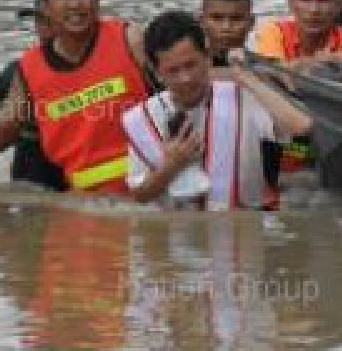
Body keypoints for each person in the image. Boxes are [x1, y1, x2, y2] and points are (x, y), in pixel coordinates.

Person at [0, 0, 151, 195]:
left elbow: (188, 84)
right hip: (82, 205)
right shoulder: (28, 69)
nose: (75, 4)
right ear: (45, 4)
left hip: (150, 193)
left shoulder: (131, 40)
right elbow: (2, 132)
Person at [125, 11, 313, 211]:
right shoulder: (140, 119)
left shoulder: (244, 97)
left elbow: (301, 127)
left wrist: (247, 79)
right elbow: (140, 195)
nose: (186, 78)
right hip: (181, 236)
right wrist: (171, 166)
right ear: (156, 73)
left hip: (242, 229)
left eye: (191, 65)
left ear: (207, 58)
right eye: (173, 70)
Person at [253, 0, 342, 173]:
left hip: (331, 143)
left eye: (323, 0)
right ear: (291, 3)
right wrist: (318, 63)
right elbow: (273, 72)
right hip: (284, 139)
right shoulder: (274, 31)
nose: (313, 10)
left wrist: (295, 69)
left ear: (339, 4)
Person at [0, 0, 66, 191]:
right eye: (40, 21)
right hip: (27, 190)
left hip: (78, 191)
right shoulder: (15, 73)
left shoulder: (95, 73)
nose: (46, 31)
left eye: (52, 22)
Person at [200, 0, 256, 68]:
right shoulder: (183, 71)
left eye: (236, 18)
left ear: (251, 23)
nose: (226, 27)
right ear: (202, 22)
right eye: (217, 18)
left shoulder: (271, 72)